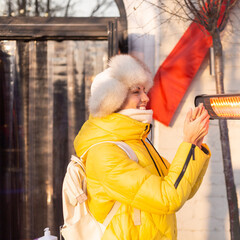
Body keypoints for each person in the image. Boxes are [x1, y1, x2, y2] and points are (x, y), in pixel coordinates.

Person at [73, 54, 211, 239]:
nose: (145, 97)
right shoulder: (105, 153)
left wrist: (195, 145)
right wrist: (188, 143)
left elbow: (183, 190)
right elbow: (169, 198)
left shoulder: (137, 142)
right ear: (111, 99)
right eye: (136, 92)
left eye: (144, 90)